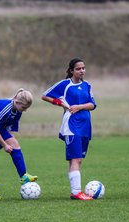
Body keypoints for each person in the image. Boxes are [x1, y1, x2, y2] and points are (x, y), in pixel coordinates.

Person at [42, 58, 96, 200]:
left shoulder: (87, 85)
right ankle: (76, 192)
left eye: (83, 68)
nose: (82, 71)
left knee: (78, 160)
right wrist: (60, 103)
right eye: (78, 68)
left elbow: (93, 104)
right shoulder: (65, 84)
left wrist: (79, 107)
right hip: (72, 126)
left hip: (85, 126)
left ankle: (75, 191)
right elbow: (45, 96)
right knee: (75, 159)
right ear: (71, 70)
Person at [0, 88, 38, 200]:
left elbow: (9, 130)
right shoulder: (4, 109)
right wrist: (5, 145)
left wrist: (10, 144)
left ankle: (23, 176)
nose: (25, 110)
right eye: (24, 107)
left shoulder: (18, 111)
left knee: (15, 144)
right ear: (17, 102)